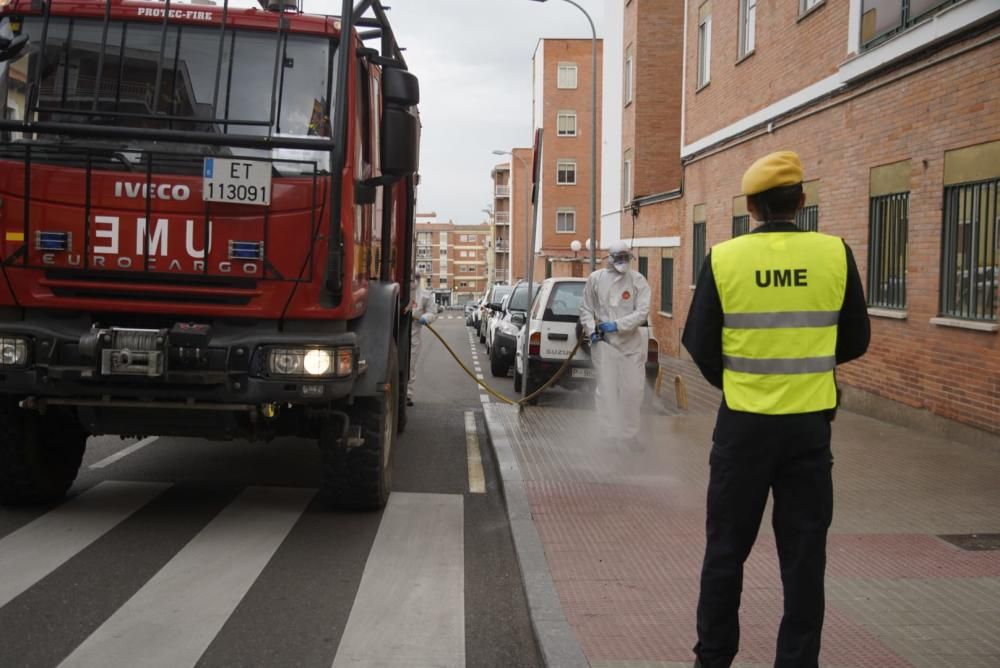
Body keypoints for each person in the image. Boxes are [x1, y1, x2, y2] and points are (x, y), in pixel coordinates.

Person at [682, 151, 870, 668]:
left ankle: (713, 660)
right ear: (802, 201)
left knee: (725, 553)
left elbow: (699, 345)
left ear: (751, 206)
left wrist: (740, 382)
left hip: (742, 430)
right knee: (805, 561)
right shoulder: (836, 253)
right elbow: (855, 340)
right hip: (809, 433)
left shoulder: (724, 258)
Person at [579, 240, 651, 446]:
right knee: (606, 391)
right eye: (618, 258)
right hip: (604, 344)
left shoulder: (638, 281)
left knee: (633, 391)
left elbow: (642, 313)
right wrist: (591, 330)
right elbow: (586, 308)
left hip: (631, 346)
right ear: (609, 259)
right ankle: (608, 434)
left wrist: (617, 325)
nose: (622, 262)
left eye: (626, 258)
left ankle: (629, 434)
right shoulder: (595, 279)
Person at [407, 268, 438, 406]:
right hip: (395, 334)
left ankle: (407, 394)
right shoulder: (398, 290)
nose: (413, 281)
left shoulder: (424, 295)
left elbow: (433, 312)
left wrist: (426, 317)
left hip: (414, 335)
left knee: (411, 365)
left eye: (416, 278)